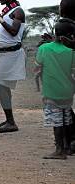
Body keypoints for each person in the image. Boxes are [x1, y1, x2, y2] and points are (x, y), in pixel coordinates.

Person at [36, 21, 74, 159]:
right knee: (66, 119)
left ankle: (59, 150)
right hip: (68, 92)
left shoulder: (44, 49)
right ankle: (68, 147)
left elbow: (37, 68)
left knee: (56, 122)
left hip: (51, 92)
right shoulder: (71, 51)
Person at [0, 0, 26, 133]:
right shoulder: (9, 11)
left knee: (0, 86)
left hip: (10, 55)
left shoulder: (18, 11)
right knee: (2, 86)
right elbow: (6, 33)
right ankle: (9, 120)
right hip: (4, 54)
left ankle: (11, 122)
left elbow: (13, 32)